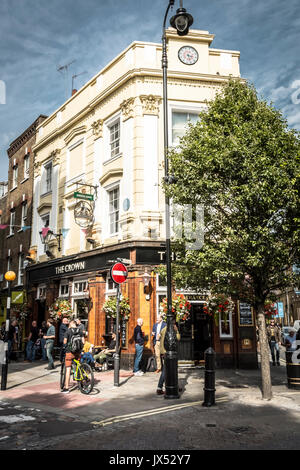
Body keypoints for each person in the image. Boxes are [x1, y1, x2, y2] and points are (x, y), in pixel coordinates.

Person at [156, 320, 181, 395]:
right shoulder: (172, 329)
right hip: (169, 352)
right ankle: (159, 387)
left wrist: (161, 352)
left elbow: (160, 338)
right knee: (166, 371)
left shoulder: (164, 329)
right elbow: (178, 338)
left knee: (171, 369)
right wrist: (177, 331)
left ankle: (175, 386)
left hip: (164, 352)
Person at [61, 320, 85, 394]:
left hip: (69, 352)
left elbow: (64, 342)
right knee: (78, 366)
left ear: (71, 324)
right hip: (78, 351)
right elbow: (83, 341)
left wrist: (66, 345)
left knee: (68, 369)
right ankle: (81, 384)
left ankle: (67, 388)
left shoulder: (68, 331)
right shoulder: (80, 331)